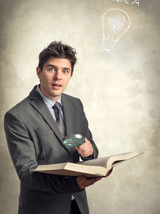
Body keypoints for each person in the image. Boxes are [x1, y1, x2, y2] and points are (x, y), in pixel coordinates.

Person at [4, 41, 111, 214]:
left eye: (65, 71)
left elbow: (91, 147)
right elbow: (27, 173)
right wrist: (72, 184)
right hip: (43, 208)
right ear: (39, 72)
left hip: (78, 205)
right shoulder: (17, 116)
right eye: (51, 69)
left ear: (71, 75)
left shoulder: (75, 104)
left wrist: (89, 152)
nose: (58, 77)